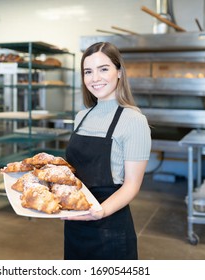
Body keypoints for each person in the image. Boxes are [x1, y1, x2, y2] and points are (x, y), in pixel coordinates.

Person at [62, 42, 152, 260]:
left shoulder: (134, 121)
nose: (95, 78)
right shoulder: (82, 117)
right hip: (75, 222)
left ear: (119, 72)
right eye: (88, 72)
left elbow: (132, 185)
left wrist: (100, 211)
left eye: (103, 69)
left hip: (110, 228)